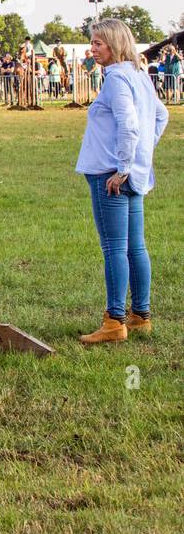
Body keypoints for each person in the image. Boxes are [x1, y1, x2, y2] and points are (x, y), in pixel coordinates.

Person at [75, 20, 169, 345]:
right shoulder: (140, 76)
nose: (93, 48)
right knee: (136, 246)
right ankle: (141, 315)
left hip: (111, 174)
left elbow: (128, 124)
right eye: (93, 42)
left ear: (114, 44)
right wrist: (143, 153)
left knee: (114, 247)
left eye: (99, 43)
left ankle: (114, 320)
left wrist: (123, 166)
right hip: (133, 173)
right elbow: (161, 116)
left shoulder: (116, 77)